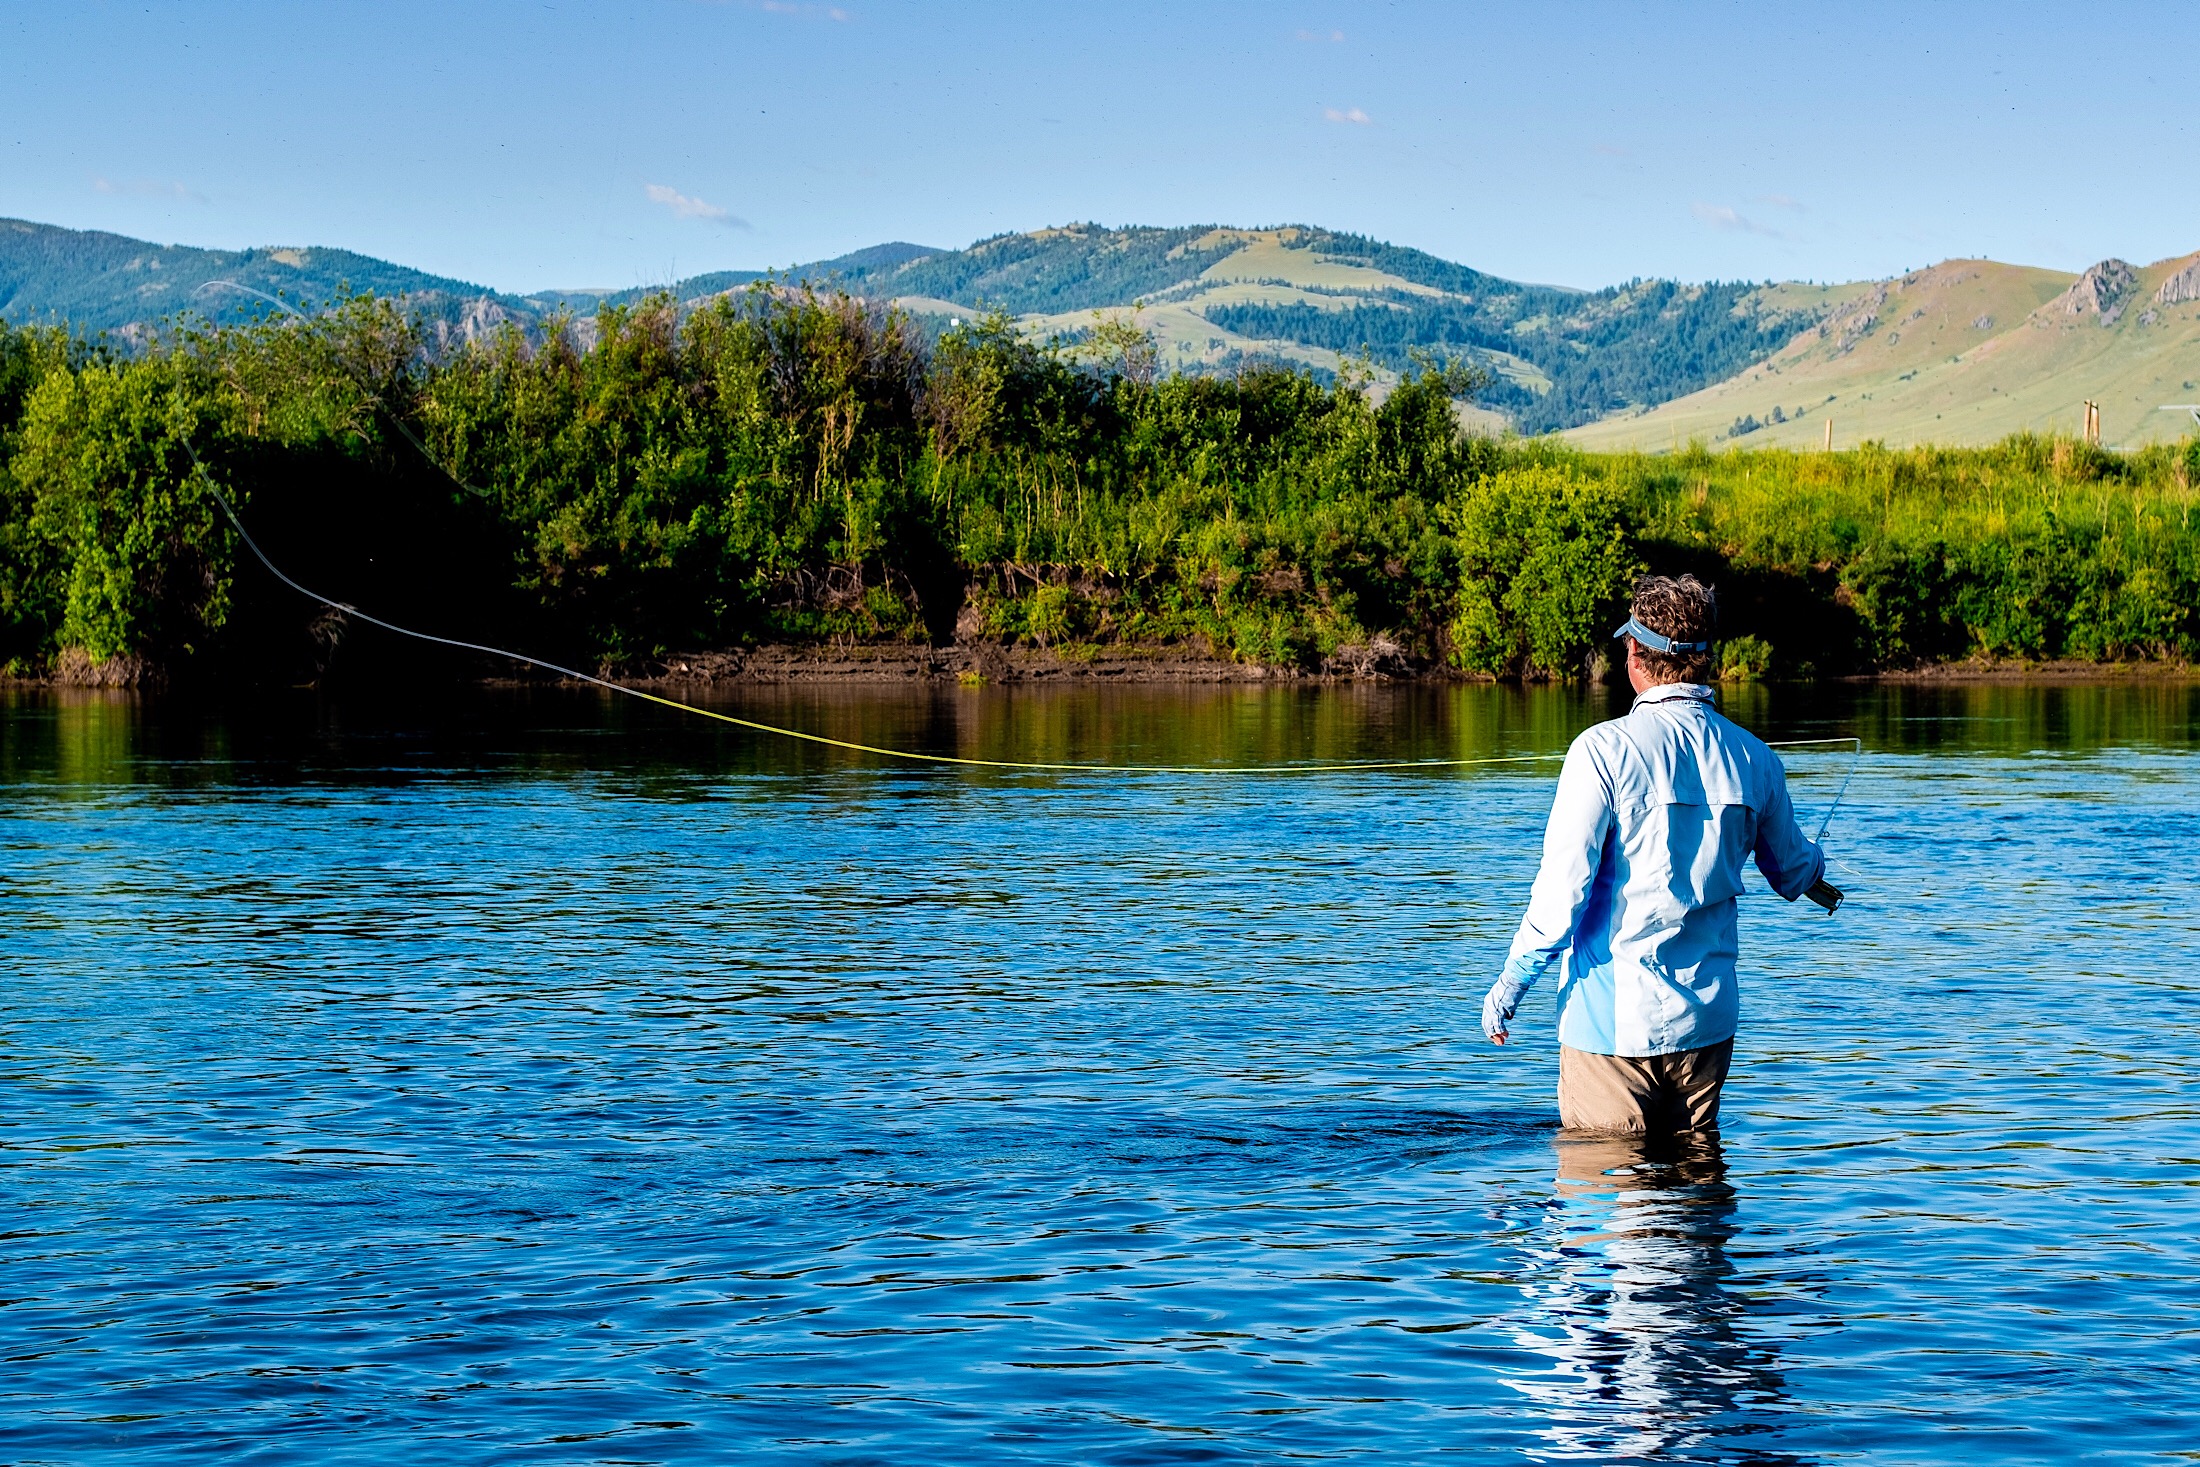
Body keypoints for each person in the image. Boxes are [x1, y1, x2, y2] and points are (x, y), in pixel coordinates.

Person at [1481, 574, 1841, 1137]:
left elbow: (1561, 900)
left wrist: (1509, 986)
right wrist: (1818, 868)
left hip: (1612, 1032)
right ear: (1706, 660)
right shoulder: (1757, 760)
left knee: (1606, 1210)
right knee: (1695, 1206)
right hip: (1708, 1026)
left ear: (1635, 658)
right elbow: (1793, 872)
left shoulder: (1600, 751)